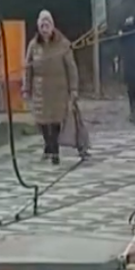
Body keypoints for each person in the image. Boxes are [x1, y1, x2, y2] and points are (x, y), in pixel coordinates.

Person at [22, 10, 79, 165]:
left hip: (58, 89)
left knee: (55, 121)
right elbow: (28, 68)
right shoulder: (33, 45)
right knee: (42, 122)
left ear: (52, 26)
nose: (44, 27)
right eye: (42, 24)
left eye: (47, 24)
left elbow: (71, 68)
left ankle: (54, 150)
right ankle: (49, 145)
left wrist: (73, 89)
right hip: (40, 89)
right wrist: (26, 88)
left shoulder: (63, 44)